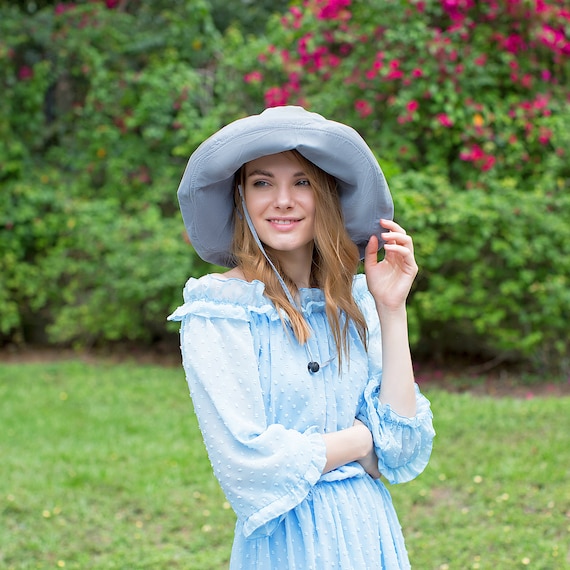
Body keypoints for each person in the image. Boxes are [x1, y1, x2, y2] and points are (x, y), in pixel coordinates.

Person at [168, 106, 435, 569]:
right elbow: (248, 464)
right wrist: (360, 442)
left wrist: (392, 310)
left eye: (303, 182)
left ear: (326, 194)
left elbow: (402, 445)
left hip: (368, 532)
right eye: (262, 182)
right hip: (285, 543)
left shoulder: (358, 302)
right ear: (241, 197)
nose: (283, 200)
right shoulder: (220, 312)